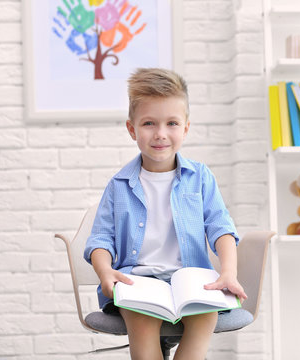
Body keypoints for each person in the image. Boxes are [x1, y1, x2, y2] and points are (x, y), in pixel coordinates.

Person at [84, 68, 247, 360]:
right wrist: (105, 272)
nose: (160, 134)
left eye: (171, 123)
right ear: (132, 129)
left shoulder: (200, 178)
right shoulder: (119, 185)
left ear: (185, 128)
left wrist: (228, 272)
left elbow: (220, 227)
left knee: (203, 317)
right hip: (138, 280)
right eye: (149, 123)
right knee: (142, 321)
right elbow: (101, 239)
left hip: (192, 280)